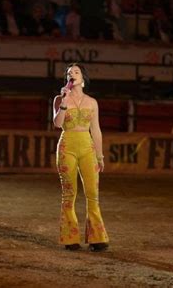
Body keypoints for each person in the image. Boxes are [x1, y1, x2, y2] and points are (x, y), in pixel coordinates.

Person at [52, 63, 109, 252]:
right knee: (69, 194)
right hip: (67, 145)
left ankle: (97, 238)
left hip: (87, 148)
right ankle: (70, 238)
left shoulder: (92, 102)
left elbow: (96, 130)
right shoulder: (60, 99)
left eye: (76, 72)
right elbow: (58, 124)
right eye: (69, 73)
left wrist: (100, 156)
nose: (72, 74)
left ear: (83, 78)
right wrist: (64, 102)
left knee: (93, 193)